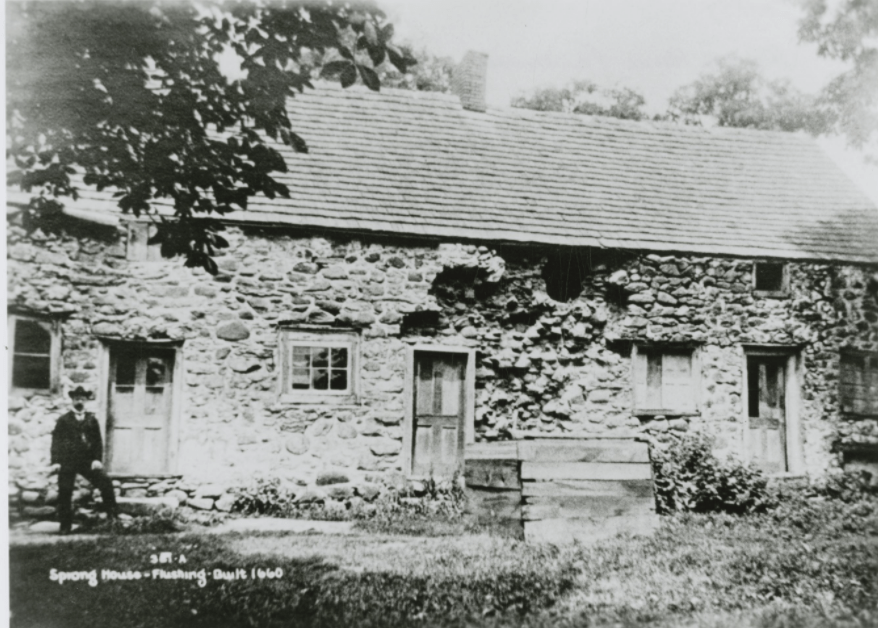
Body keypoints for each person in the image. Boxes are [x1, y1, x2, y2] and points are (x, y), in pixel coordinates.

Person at [49, 386, 118, 534]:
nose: (79, 401)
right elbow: (56, 441)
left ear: (86, 400)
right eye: (76, 398)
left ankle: (112, 519)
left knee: (105, 482)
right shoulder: (63, 420)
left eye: (82, 398)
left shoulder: (92, 420)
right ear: (72, 400)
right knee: (65, 491)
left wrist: (97, 459)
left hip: (87, 461)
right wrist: (55, 461)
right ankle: (65, 526)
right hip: (67, 461)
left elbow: (97, 442)